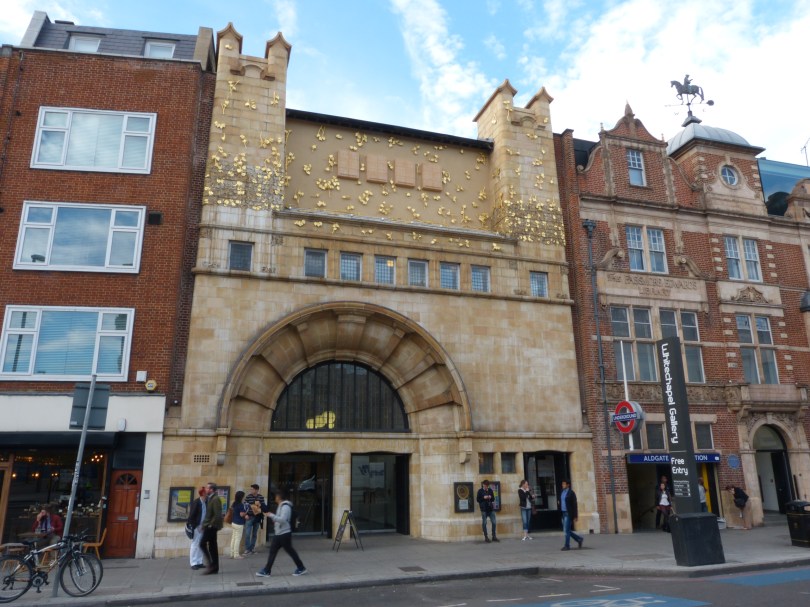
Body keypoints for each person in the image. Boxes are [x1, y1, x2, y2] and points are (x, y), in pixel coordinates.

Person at [255, 487, 307, 578]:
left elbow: (283, 520)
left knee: (289, 551)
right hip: (279, 533)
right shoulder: (281, 505)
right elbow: (279, 518)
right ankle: (267, 570)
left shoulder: (285, 506)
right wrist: (271, 516)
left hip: (284, 533)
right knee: (273, 551)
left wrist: (271, 515)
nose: (275, 497)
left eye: (276, 495)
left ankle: (301, 567)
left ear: (279, 497)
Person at [200, 482, 223, 574]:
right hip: (210, 526)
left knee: (202, 544)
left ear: (211, 490)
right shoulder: (211, 498)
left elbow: (217, 514)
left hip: (211, 527)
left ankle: (210, 565)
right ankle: (214, 567)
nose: (206, 489)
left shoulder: (215, 499)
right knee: (213, 547)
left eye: (207, 488)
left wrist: (210, 525)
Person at [559, 479, 583, 551]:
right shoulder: (562, 492)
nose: (563, 485)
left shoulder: (571, 493)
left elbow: (574, 505)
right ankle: (579, 539)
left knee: (566, 530)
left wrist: (575, 515)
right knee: (567, 530)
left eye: (564, 484)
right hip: (563, 512)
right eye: (562, 484)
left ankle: (567, 545)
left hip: (568, 513)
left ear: (568, 485)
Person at [243, 484, 266, 555]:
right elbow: (244, 506)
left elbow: (264, 507)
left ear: (256, 490)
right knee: (247, 534)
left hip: (257, 517)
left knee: (255, 534)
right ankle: (247, 549)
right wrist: (245, 514)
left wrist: (260, 506)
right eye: (251, 489)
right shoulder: (248, 497)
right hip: (249, 517)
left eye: (252, 489)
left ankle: (252, 548)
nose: (251, 490)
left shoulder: (261, 497)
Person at [187, 487, 207, 570]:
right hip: (196, 527)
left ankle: (199, 561)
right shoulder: (196, 503)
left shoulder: (205, 502)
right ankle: (193, 562)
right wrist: (196, 526)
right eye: (206, 493)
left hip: (203, 526)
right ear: (203, 494)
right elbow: (191, 517)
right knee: (195, 544)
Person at [229, 490, 248, 559]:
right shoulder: (240, 505)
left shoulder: (234, 503)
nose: (244, 498)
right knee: (237, 539)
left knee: (233, 538)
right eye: (243, 496)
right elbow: (241, 514)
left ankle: (232, 553)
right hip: (239, 524)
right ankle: (236, 555)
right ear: (241, 497)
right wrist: (246, 514)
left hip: (234, 522)